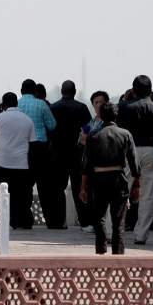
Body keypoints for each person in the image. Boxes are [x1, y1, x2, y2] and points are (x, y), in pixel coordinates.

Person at [79, 102, 139, 254]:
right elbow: (134, 164)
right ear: (116, 115)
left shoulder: (93, 135)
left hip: (97, 180)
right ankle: (118, 253)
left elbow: (86, 165)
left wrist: (83, 187)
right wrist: (137, 185)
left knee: (99, 218)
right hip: (118, 179)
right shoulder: (125, 134)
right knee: (118, 220)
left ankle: (101, 250)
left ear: (101, 116)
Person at [116, 75, 153, 245]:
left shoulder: (123, 108)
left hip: (128, 151)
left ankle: (113, 231)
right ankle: (141, 235)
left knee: (121, 192)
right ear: (150, 91)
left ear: (133, 90)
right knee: (148, 195)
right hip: (151, 151)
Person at [50, 80, 92, 229]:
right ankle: (84, 221)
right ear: (74, 92)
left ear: (62, 91)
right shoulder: (81, 108)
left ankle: (59, 221)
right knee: (78, 187)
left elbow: (50, 129)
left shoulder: (53, 107)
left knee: (57, 189)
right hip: (76, 153)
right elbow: (89, 128)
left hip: (57, 153)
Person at [17, 79, 59, 228]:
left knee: (24, 185)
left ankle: (24, 220)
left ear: (21, 90)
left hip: (22, 149)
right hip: (40, 148)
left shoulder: (17, 105)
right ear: (35, 91)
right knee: (44, 186)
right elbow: (52, 125)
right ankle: (52, 221)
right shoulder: (41, 104)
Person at [0, 92, 35, 229]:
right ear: (16, 103)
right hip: (22, 163)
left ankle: (1, 220)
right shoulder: (27, 119)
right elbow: (33, 141)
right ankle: (22, 221)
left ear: (3, 104)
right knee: (21, 195)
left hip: (1, 162)